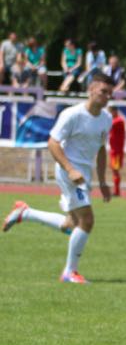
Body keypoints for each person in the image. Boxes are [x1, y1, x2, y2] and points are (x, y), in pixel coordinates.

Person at [2, 73, 114, 284]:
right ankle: (69, 272)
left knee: (71, 225)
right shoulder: (72, 114)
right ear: (91, 89)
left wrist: (103, 182)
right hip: (68, 172)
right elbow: (53, 143)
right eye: (103, 92)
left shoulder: (106, 118)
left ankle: (25, 213)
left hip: (84, 175)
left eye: (110, 93)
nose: (107, 97)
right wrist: (70, 169)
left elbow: (101, 149)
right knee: (87, 221)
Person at [107, 105, 126, 197]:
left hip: (117, 151)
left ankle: (117, 191)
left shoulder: (119, 121)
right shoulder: (114, 120)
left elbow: (108, 125)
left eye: (110, 112)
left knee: (116, 171)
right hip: (113, 150)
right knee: (114, 171)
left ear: (114, 111)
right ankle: (116, 191)